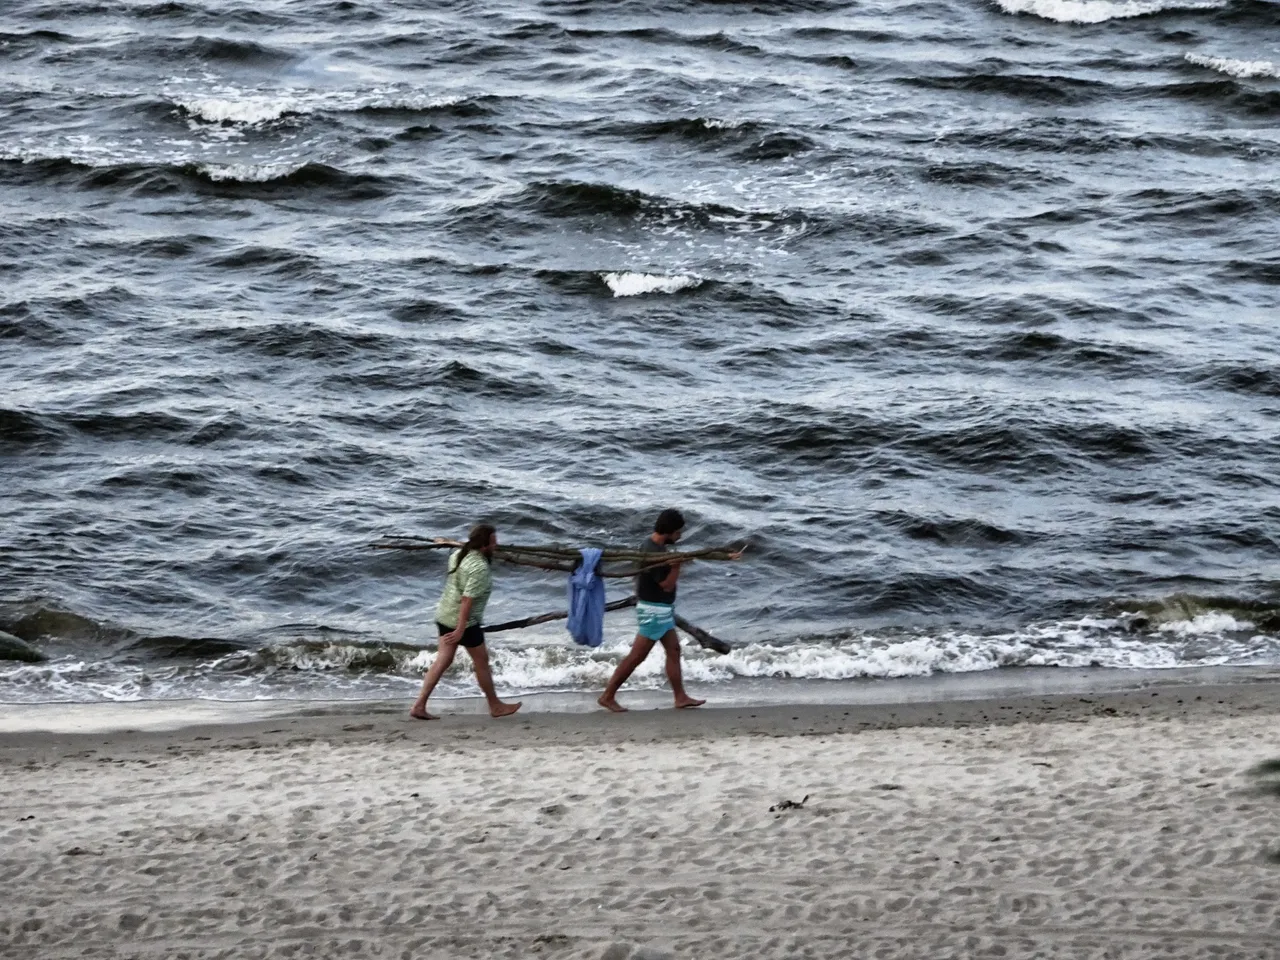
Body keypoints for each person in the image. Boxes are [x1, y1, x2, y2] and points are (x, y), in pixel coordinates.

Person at [597, 508, 706, 713]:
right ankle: (607, 695)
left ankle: (680, 697)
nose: (680, 536)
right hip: (653, 611)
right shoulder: (651, 552)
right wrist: (676, 568)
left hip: (661, 610)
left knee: (673, 650)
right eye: (677, 532)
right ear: (669, 530)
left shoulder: (655, 547)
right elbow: (665, 585)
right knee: (636, 656)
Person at [410, 523, 522, 720]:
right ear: (484, 544)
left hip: (444, 615)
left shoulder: (458, 554)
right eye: (493, 542)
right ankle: (495, 705)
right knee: (482, 661)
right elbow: (467, 600)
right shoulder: (479, 567)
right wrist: (461, 629)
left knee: (443, 660)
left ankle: (419, 705)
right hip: (464, 622)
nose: (496, 546)